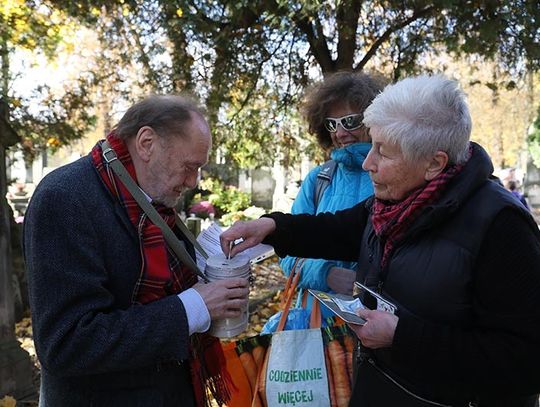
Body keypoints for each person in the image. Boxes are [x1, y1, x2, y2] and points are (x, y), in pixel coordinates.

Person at [221, 75, 540, 406]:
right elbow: (339, 229)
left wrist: (400, 337)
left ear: (434, 163)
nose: (367, 162)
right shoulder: (395, 202)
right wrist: (272, 227)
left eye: (382, 152)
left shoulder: (501, 227)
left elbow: (526, 359)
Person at [23, 95, 249, 407]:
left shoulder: (145, 196)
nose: (193, 181)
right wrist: (193, 308)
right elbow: (66, 344)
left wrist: (212, 271)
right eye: (189, 167)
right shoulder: (64, 197)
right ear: (146, 143)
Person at [280, 72, 383, 300]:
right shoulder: (319, 179)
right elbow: (287, 253)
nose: (340, 133)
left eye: (350, 121)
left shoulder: (392, 176)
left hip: (374, 323)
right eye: (332, 124)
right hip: (317, 322)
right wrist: (325, 274)